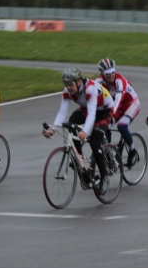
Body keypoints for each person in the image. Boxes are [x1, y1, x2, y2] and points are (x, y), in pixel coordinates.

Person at [42, 67, 114, 195]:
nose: (68, 87)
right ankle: (80, 159)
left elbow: (92, 114)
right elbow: (62, 112)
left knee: (95, 142)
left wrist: (85, 131)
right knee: (71, 123)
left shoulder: (90, 89)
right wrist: (53, 129)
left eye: (71, 84)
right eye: (66, 84)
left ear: (79, 81)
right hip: (88, 108)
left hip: (104, 110)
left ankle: (104, 177)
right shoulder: (67, 92)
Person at [97, 58, 141, 168]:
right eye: (107, 74)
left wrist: (109, 116)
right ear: (102, 73)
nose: (111, 76)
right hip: (117, 107)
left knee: (122, 125)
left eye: (113, 72)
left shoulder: (120, 81)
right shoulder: (98, 82)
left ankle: (132, 151)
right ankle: (108, 151)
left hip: (131, 104)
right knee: (104, 126)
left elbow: (118, 101)